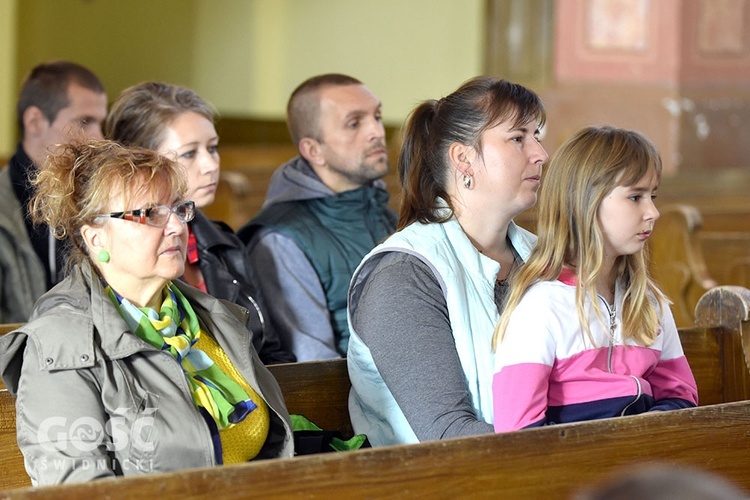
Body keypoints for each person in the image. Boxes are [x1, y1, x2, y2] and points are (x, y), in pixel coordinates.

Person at [0, 141, 293, 485]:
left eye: (178, 209)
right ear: (96, 239)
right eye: (149, 213)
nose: (177, 227)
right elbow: (77, 490)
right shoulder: (60, 344)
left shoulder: (215, 319)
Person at [346, 76, 548, 446]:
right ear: (463, 158)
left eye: (538, 136)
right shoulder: (404, 275)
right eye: (518, 138)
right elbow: (448, 436)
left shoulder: (545, 258)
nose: (540, 154)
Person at [491, 126, 698, 433]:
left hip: (643, 465)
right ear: (586, 203)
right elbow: (517, 431)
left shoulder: (647, 302)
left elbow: (681, 396)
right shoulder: (542, 308)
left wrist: (644, 436)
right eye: (635, 197)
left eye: (652, 196)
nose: (652, 212)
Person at [104, 82, 293, 364]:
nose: (211, 165)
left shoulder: (225, 244)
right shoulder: (121, 255)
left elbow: (271, 352)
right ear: (143, 160)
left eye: (213, 148)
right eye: (190, 153)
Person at [238, 73, 397, 361]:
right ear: (313, 150)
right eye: (354, 123)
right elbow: (314, 363)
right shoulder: (279, 239)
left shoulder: (382, 213)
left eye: (377, 116)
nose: (377, 131)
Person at [0, 60, 107, 323]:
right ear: (35, 121)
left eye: (101, 123)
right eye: (84, 122)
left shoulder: (101, 203)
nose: (100, 139)